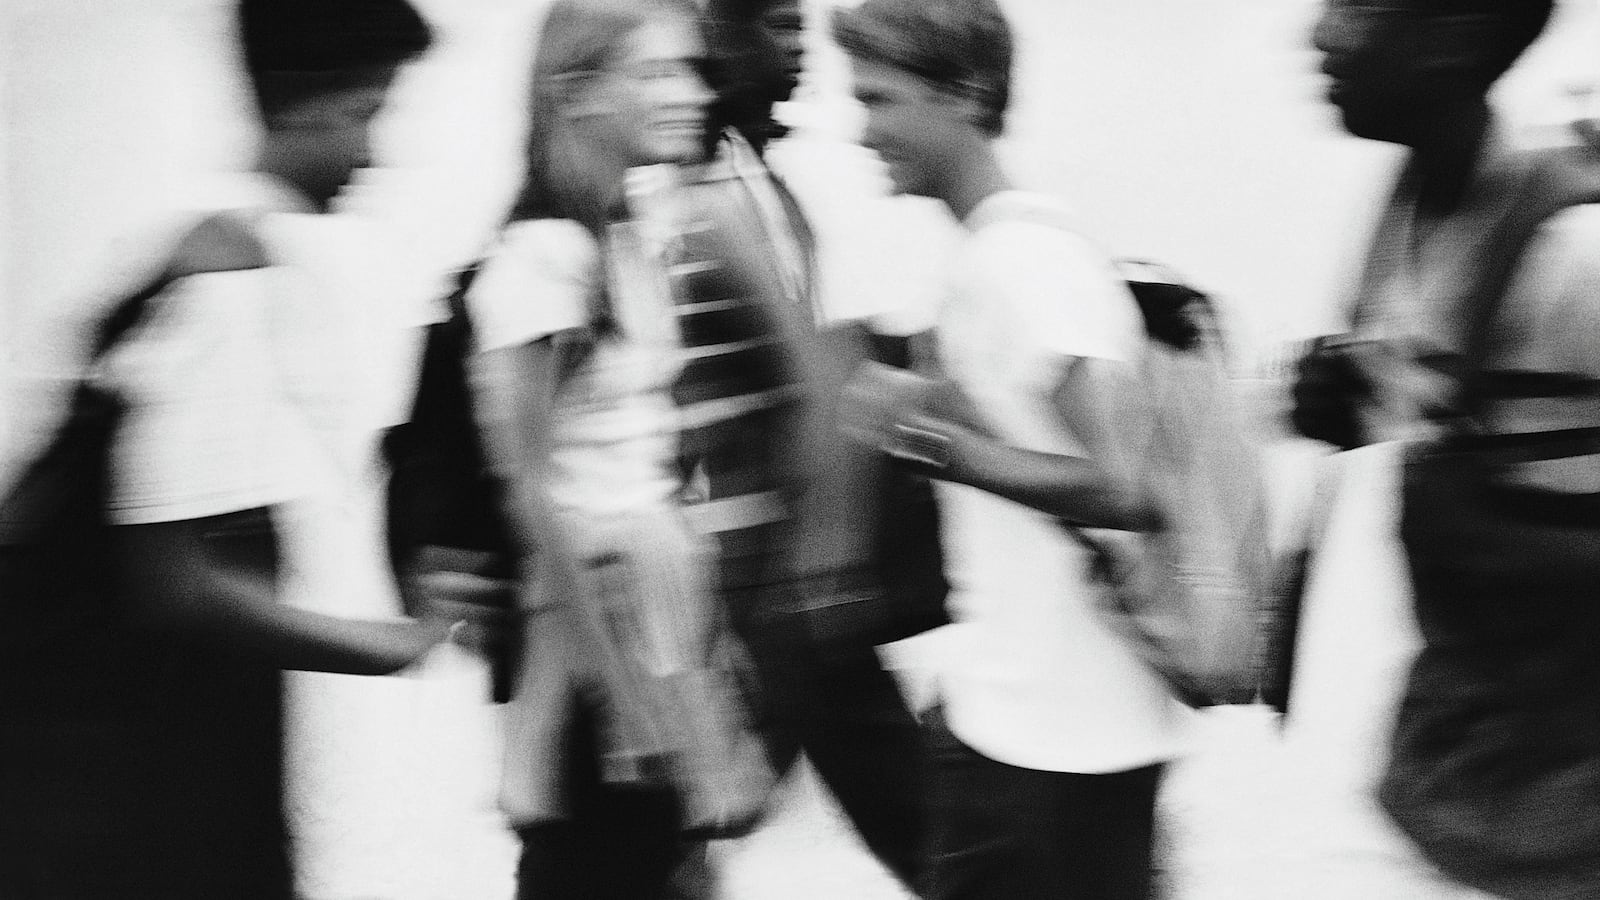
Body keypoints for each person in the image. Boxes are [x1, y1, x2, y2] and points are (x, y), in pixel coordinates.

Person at [0, 2, 450, 898]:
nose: (376, 153)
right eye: (366, 112)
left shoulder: (185, 254)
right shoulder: (232, 267)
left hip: (98, 755)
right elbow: (179, 580)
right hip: (143, 764)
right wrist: (389, 644)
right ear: (299, 105)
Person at [829, 1, 1181, 897]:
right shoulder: (1016, 248)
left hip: (1046, 747)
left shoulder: (1018, 262)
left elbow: (1127, 486)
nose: (861, 128)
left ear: (967, 94)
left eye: (880, 98)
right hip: (1043, 724)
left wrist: (932, 442)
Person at [461, 2, 769, 897]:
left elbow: (634, 458)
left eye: (693, 69)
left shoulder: (624, 239)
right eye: (656, 72)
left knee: (660, 866)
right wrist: (622, 690)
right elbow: (530, 490)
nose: (694, 92)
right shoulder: (543, 262)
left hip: (657, 605)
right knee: (601, 867)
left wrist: (700, 648)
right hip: (601, 621)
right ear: (575, 95)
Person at [1297, 2, 1600, 896]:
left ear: (1454, 39)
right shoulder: (1412, 212)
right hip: (1453, 777)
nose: (1320, 35)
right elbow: (1444, 412)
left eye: (1357, 8)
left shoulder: (1570, 258)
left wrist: (1476, 514)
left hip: (1567, 815)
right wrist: (1344, 403)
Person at [658, 0, 933, 887]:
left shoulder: (746, 185)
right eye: (774, 24)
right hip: (766, 592)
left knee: (673, 837)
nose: (802, 50)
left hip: (779, 587)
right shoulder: (709, 193)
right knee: (941, 839)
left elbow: (825, 379)